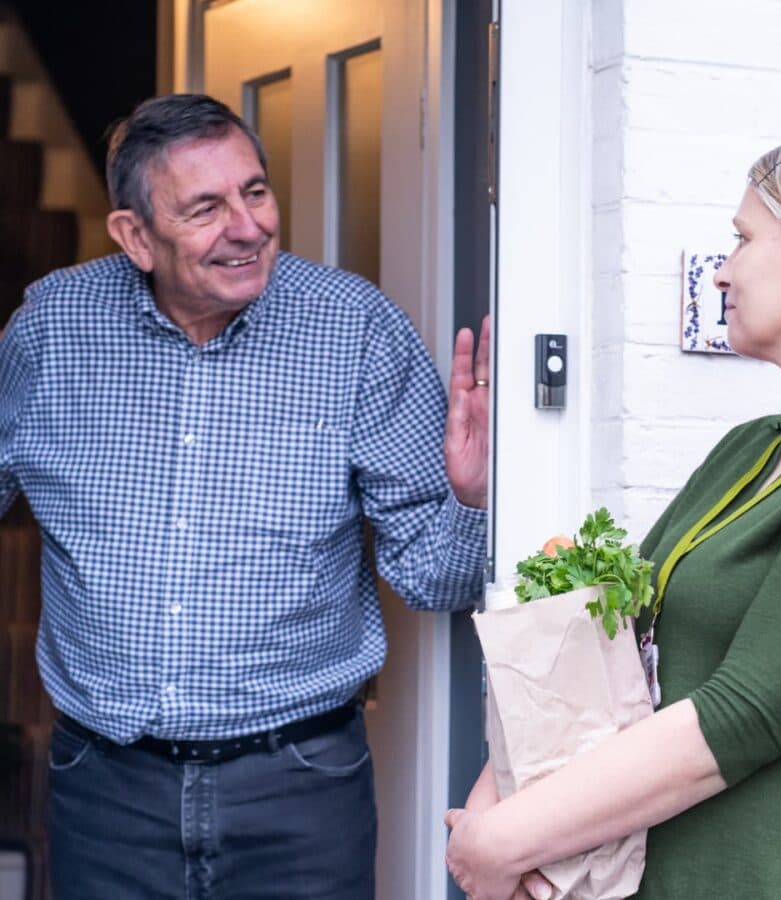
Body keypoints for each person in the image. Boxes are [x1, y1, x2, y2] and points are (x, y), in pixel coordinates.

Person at [444, 129, 781, 900]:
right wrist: (494, 809)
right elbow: (610, 643)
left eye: (741, 240)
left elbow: (743, 714)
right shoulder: (751, 449)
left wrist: (509, 838)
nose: (723, 270)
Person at [0, 93, 490, 898]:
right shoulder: (53, 330)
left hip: (300, 787)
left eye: (254, 192)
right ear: (134, 236)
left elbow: (435, 579)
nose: (249, 226)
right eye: (205, 208)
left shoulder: (356, 331)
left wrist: (468, 502)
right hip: (106, 785)